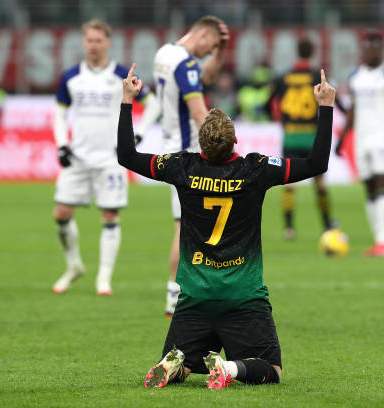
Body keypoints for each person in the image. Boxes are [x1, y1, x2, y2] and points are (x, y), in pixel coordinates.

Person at [116, 63, 335, 389]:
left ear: (201, 145)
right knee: (270, 370)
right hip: (243, 297)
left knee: (188, 363)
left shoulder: (182, 166)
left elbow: (127, 156)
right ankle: (230, 370)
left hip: (195, 298)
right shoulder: (256, 169)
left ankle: (178, 364)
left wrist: (126, 101)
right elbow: (317, 164)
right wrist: (326, 107)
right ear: (235, 140)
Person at [51, 19, 161, 295]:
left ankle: (104, 278)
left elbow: (153, 104)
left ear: (108, 43)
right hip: (78, 156)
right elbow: (59, 113)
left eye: (99, 40)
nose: (93, 45)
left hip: (111, 158)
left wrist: (138, 135)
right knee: (61, 213)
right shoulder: (71, 76)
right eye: (89, 40)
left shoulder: (122, 75)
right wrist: (62, 145)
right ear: (83, 42)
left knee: (110, 215)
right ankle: (74, 265)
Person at [153, 15, 229, 316]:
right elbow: (199, 113)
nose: (210, 53)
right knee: (186, 226)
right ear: (202, 35)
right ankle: (176, 292)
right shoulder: (185, 65)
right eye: (210, 46)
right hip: (190, 153)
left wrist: (221, 51)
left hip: (171, 148)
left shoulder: (164, 53)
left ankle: (186, 289)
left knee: (190, 223)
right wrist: (222, 142)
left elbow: (205, 78)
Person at [335, 29, 384, 257]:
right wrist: (342, 138)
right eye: (365, 47)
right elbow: (353, 111)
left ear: (381, 50)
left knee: (383, 185)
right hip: (361, 141)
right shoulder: (356, 76)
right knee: (369, 189)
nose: (368, 51)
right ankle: (379, 241)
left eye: (373, 48)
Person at [273, 38, 338, 240]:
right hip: (311, 135)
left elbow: (271, 102)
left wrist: (282, 121)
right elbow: (334, 99)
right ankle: (327, 224)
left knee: (289, 184)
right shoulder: (315, 76)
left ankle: (289, 228)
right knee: (319, 182)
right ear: (312, 52)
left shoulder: (284, 77)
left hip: (291, 135)